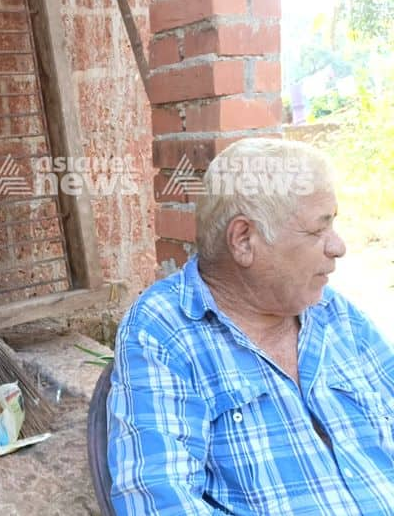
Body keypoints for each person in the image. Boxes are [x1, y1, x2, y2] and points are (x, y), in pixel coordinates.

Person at [107, 138, 394, 515]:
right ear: (244, 240)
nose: (338, 247)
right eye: (317, 230)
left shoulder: (333, 313)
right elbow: (157, 499)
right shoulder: (165, 330)